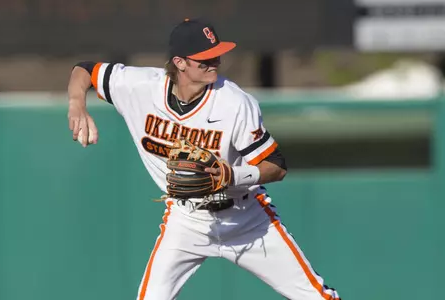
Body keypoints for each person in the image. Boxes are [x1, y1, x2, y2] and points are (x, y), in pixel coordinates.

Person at [67, 18, 340, 300]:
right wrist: (77, 104)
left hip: (247, 220)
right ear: (180, 62)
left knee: (317, 296)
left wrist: (230, 176)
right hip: (186, 220)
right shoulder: (140, 86)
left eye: (217, 55)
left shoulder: (234, 102)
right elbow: (84, 70)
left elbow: (276, 166)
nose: (215, 62)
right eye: (204, 59)